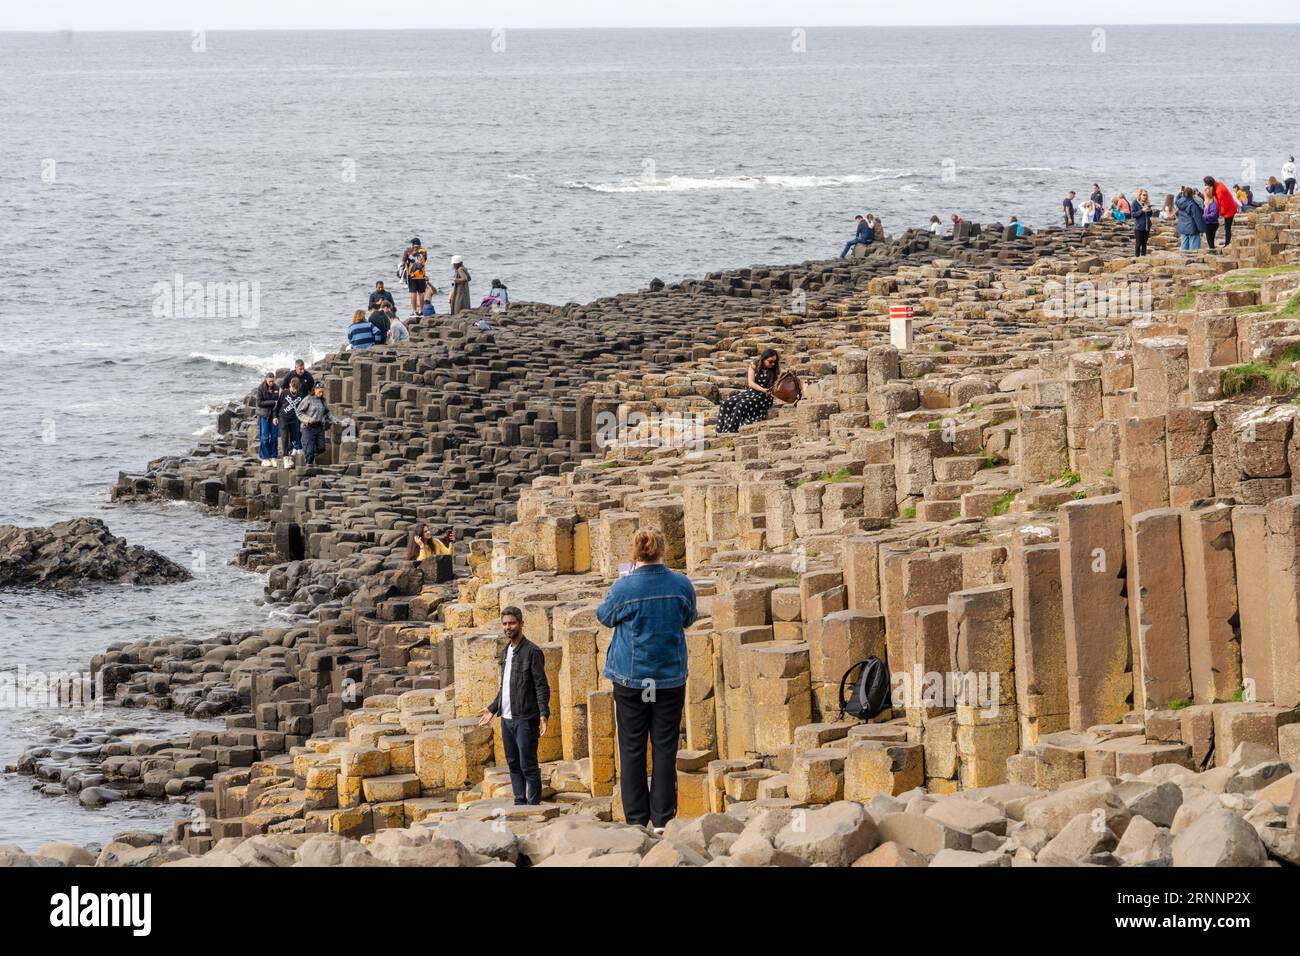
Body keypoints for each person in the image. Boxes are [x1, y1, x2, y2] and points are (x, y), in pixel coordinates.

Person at [595, 528, 696, 832]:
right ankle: (663, 819)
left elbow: (604, 616)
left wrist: (628, 579)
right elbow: (689, 618)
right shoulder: (681, 584)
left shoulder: (625, 586)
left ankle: (637, 819)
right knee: (665, 747)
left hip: (631, 679)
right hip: (668, 678)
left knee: (632, 748)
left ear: (635, 553)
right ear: (663, 550)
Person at [477, 607, 550, 806]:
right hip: (507, 719)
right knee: (513, 763)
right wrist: (492, 708)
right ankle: (519, 800)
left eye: (512, 623)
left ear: (520, 624)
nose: (508, 627)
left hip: (526, 718)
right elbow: (506, 686)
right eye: (505, 624)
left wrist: (544, 713)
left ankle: (534, 804)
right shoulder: (506, 650)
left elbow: (541, 686)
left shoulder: (532, 651)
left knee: (528, 764)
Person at [716, 348, 780, 434]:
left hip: (765, 397)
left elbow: (785, 376)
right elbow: (751, 383)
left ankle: (730, 430)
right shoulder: (754, 366)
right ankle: (720, 430)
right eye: (770, 361)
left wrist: (791, 370)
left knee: (740, 405)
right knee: (726, 403)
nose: (773, 364)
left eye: (775, 362)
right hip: (751, 392)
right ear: (763, 359)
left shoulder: (776, 369)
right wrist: (763, 389)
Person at [297, 382, 331, 465]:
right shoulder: (308, 399)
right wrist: (308, 419)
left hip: (319, 427)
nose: (321, 393)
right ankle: (308, 462)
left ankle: (310, 453)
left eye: (322, 392)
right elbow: (299, 412)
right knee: (309, 451)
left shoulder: (323, 400)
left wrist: (335, 420)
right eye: (319, 392)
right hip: (308, 427)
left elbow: (327, 413)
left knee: (321, 448)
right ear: (315, 390)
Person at [276, 376, 304, 468]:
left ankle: (290, 453)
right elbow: (278, 405)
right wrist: (275, 416)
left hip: (294, 420)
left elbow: (302, 409)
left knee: (293, 439)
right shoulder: (284, 393)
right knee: (284, 437)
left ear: (298, 387)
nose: (294, 390)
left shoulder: (300, 395)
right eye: (292, 387)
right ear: (289, 385)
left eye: (295, 388)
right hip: (283, 418)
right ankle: (285, 457)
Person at [255, 371, 280, 467]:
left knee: (274, 437)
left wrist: (274, 405)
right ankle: (265, 458)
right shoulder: (261, 388)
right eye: (269, 381)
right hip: (264, 416)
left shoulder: (277, 388)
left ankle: (273, 457)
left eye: (272, 381)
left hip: (274, 415)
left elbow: (278, 403)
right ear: (266, 380)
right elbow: (259, 403)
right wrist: (273, 402)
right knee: (264, 438)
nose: (271, 383)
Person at [1204, 176, 1238, 246]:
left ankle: (1227, 244)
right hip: (1230, 206)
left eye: (1206, 184)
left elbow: (1224, 205)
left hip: (1229, 210)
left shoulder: (1219, 191)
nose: (1205, 185)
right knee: (1227, 227)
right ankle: (1227, 242)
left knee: (1227, 228)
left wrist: (1221, 213)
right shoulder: (1218, 184)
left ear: (1210, 184)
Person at [402, 237, 429, 317]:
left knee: (413, 293)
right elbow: (424, 261)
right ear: (420, 244)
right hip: (421, 275)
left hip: (412, 275)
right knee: (421, 293)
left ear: (412, 244)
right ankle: (421, 311)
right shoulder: (424, 251)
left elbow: (403, 263)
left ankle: (414, 312)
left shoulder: (408, 251)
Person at [1175, 186, 1205, 252]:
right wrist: (1202, 229)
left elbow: (1176, 199)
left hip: (1183, 227)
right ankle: (1193, 260)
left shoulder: (1179, 202)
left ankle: (1183, 260)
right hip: (1192, 228)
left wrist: (1180, 193)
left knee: (1184, 247)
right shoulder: (1192, 204)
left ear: (1183, 194)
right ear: (1192, 194)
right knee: (1194, 249)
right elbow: (1197, 218)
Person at [1131, 188, 1155, 257]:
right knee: (1138, 244)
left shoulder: (1147, 203)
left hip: (1146, 226)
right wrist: (1142, 210)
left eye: (1146, 195)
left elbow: (1150, 215)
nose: (1145, 196)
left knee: (1144, 244)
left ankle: (1143, 258)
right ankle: (1137, 258)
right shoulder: (1135, 203)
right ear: (1140, 195)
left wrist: (1150, 210)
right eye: (1144, 195)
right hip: (1138, 227)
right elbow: (1133, 215)